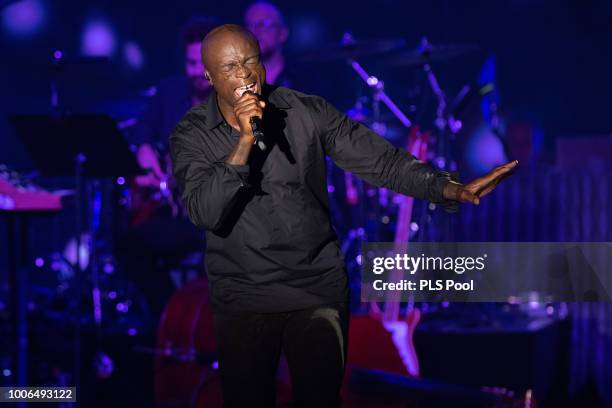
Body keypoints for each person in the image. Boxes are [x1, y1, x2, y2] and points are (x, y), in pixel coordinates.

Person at [169, 24, 517, 408]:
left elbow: (381, 161)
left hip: (314, 285)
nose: (246, 75)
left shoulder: (306, 112)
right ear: (208, 76)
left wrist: (449, 187)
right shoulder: (192, 133)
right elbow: (204, 211)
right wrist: (244, 144)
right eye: (230, 67)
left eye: (252, 62)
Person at [117, 17, 216, 320]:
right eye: (190, 63)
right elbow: (142, 133)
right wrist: (147, 157)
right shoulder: (170, 92)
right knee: (127, 246)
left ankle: (206, 330)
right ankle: (170, 314)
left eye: (203, 64)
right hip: (176, 212)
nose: (197, 72)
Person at [244, 1, 301, 89]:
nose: (254, 31)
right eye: (249, 26)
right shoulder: (239, 80)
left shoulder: (302, 79)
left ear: (282, 33)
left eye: (262, 24)